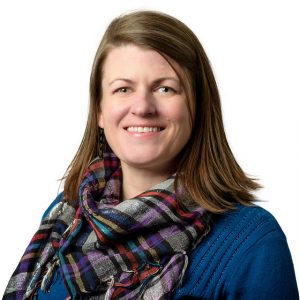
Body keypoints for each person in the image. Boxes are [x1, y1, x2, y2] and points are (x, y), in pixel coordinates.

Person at [3, 10, 298, 300]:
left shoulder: (251, 242)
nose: (142, 106)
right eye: (123, 89)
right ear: (99, 111)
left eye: (165, 88)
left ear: (197, 107)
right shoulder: (67, 216)